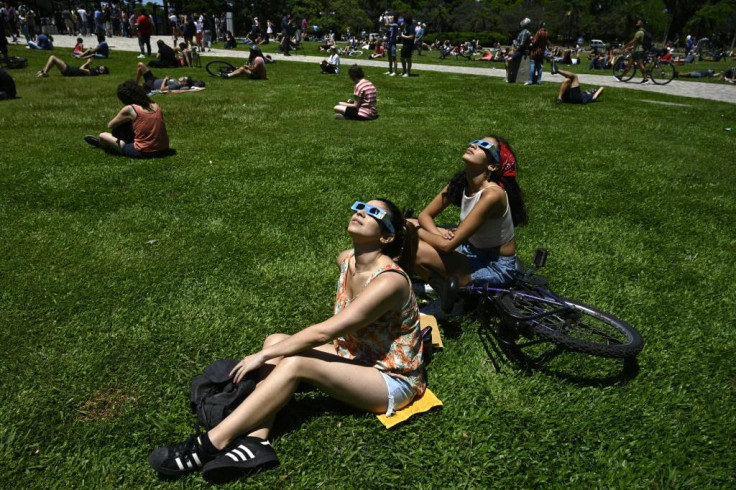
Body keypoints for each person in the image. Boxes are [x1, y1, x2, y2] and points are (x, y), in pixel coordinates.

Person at [147, 198, 424, 484]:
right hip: (356, 355)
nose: (361, 212)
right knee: (276, 340)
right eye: (360, 206)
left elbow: (322, 334)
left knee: (295, 361)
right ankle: (257, 441)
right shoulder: (349, 261)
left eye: (374, 213)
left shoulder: (389, 281)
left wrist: (261, 358)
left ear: (386, 236)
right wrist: (271, 350)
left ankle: (208, 445)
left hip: (390, 379)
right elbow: (345, 257)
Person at [412, 135, 528, 287]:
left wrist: (414, 231)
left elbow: (447, 246)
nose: (474, 145)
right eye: (475, 142)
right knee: (409, 224)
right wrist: (433, 234)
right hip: (469, 249)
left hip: (494, 266)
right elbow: (424, 216)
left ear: (492, 166)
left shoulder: (492, 194)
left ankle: (449, 294)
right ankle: (440, 287)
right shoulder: (461, 182)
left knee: (415, 247)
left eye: (484, 146)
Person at [84, 80, 171, 159]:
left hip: (144, 152)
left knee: (103, 135)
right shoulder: (155, 105)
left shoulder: (130, 109)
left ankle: (103, 145)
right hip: (164, 149)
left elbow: (110, 125)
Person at [619, 19, 649, 84]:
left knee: (640, 65)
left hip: (639, 51)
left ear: (642, 24)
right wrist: (630, 47)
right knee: (629, 64)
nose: (636, 24)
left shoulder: (640, 32)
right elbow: (637, 43)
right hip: (636, 51)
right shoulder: (640, 32)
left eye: (638, 23)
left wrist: (625, 46)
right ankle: (621, 77)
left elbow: (633, 41)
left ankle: (646, 78)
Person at [505, 18, 531, 82]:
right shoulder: (523, 31)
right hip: (519, 50)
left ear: (525, 24)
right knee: (506, 58)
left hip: (521, 51)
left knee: (509, 59)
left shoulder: (525, 32)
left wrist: (515, 50)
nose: (521, 23)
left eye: (522, 22)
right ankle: (509, 75)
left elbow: (522, 45)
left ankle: (510, 76)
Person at [35, 55, 109, 77]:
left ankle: (44, 72)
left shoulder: (94, 72)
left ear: (102, 72)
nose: (101, 66)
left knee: (53, 58)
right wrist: (88, 64)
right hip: (70, 69)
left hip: (69, 71)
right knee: (53, 60)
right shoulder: (94, 71)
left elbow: (81, 69)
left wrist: (87, 62)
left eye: (102, 68)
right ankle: (43, 71)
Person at [527, 21, 548, 85]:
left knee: (532, 65)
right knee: (539, 66)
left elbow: (535, 42)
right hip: (542, 51)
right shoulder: (546, 33)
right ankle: (538, 81)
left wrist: (531, 40)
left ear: (540, 25)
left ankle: (530, 80)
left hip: (536, 51)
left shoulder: (538, 32)